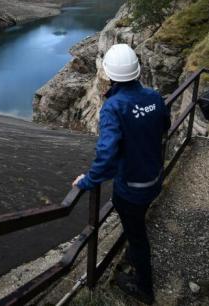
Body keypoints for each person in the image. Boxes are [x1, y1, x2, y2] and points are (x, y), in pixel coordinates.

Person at [72, 43, 170, 305]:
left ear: (110, 74)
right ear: (136, 71)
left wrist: (88, 180)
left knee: (137, 236)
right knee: (136, 223)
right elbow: (164, 127)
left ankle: (144, 289)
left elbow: (106, 155)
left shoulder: (114, 107)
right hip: (154, 178)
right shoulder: (154, 97)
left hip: (131, 188)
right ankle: (131, 253)